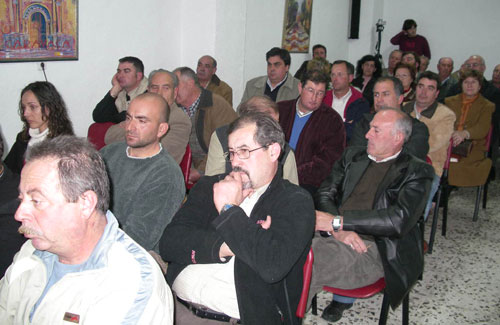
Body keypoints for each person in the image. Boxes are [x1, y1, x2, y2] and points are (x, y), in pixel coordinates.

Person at [160, 113, 315, 324]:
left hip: (233, 319)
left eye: (244, 151)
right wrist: (228, 246)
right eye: (231, 153)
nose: (234, 162)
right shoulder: (210, 187)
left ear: (273, 151)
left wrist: (228, 209)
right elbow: (169, 244)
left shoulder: (295, 201)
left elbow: (272, 266)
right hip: (173, 308)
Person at [0, 136, 174, 324]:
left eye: (36, 201)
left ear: (85, 203)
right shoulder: (31, 253)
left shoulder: (130, 285)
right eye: (21, 199)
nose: (19, 214)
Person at [309, 108, 434, 322]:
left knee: (304, 267)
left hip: (375, 248)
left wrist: (338, 223)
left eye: (376, 130)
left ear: (398, 138)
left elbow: (397, 220)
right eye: (369, 129)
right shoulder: (352, 156)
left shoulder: (416, 171)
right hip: (334, 234)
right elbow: (325, 193)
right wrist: (338, 229)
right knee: (282, 249)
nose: (367, 135)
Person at [100, 93, 185, 253]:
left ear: (162, 129)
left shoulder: (166, 175)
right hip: (94, 240)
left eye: (141, 121)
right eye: (129, 118)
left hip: (132, 256)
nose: (130, 127)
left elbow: (137, 239)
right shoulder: (109, 153)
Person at [205, 95, 299, 185]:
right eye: (268, 124)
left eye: (276, 123)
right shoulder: (221, 137)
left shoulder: (285, 151)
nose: (275, 129)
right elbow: (213, 180)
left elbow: (293, 194)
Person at [278, 70, 346, 195]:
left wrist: (292, 173)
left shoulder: (332, 120)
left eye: (320, 93)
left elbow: (327, 161)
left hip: (308, 183)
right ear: (300, 87)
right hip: (274, 174)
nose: (314, 98)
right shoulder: (280, 110)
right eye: (310, 90)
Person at [104, 69, 192, 164]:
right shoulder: (140, 109)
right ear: (148, 90)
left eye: (166, 88)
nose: (159, 93)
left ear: (174, 92)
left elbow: (157, 155)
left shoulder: (179, 120)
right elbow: (109, 137)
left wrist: (128, 130)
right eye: (154, 87)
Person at [402, 71, 456, 218]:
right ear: (415, 88)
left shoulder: (445, 115)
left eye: (430, 88)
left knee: (417, 202)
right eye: (421, 86)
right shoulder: (403, 108)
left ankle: (414, 234)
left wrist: (399, 147)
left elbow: (431, 144)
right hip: (397, 162)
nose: (423, 92)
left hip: (429, 167)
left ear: (437, 93)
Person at [174, 67, 237, 184]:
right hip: (184, 168)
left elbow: (225, 145)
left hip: (214, 168)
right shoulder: (174, 109)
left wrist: (200, 171)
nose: (174, 90)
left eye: (176, 85)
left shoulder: (217, 105)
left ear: (190, 83)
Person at [350, 76, 430, 160]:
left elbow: (408, 159)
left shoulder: (416, 128)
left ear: (400, 99)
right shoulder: (364, 123)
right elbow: (354, 156)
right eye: (376, 94)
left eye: (386, 94)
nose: (379, 99)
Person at [4, 81, 74, 174]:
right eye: (24, 107)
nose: (25, 113)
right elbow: (7, 171)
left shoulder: (64, 145)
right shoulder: (23, 139)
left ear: (50, 107)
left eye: (32, 107)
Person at [445, 70, 495, 187]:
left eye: (473, 82)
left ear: (479, 86)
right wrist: (453, 134)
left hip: (473, 146)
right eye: (466, 82)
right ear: (461, 85)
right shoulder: (449, 101)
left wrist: (465, 134)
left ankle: (442, 195)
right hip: (449, 142)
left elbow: (482, 128)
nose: (469, 85)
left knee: (455, 166)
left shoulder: (487, 106)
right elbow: (444, 122)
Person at [323, 60, 370, 141]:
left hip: (347, 149)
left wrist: (327, 124)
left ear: (350, 78)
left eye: (340, 74)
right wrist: (345, 125)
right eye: (333, 75)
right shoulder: (322, 97)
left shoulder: (360, 102)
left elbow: (355, 133)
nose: (335, 79)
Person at [93, 56, 148, 123]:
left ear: (139, 76)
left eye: (126, 71)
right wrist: (114, 91)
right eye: (119, 71)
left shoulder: (149, 92)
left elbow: (133, 116)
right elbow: (98, 116)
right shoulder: (121, 93)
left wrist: (118, 117)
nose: (120, 76)